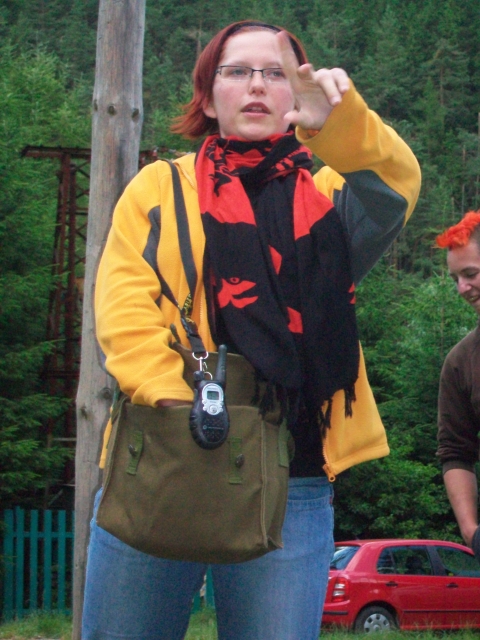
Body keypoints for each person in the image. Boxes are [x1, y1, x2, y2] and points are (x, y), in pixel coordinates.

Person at [82, 20, 421, 640]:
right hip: (165, 454)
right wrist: (181, 409)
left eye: (277, 73)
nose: (258, 85)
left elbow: (396, 186)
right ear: (209, 98)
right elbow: (126, 309)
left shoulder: (329, 195)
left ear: (298, 94)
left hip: (293, 471)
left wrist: (339, 124)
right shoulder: (159, 186)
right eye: (237, 71)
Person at [436, 211, 480, 562]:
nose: (462, 288)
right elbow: (454, 451)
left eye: (471, 274)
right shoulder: (460, 361)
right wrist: (471, 531)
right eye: (456, 279)